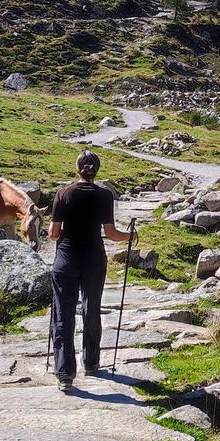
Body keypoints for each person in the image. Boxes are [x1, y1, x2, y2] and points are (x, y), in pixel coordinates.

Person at [47, 150, 132, 390]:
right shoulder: (105, 195)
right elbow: (111, 234)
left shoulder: (63, 194)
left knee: (63, 314)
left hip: (66, 259)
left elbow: (53, 234)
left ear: (77, 169)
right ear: (97, 170)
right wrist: (131, 236)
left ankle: (65, 374)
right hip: (94, 259)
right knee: (92, 308)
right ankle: (91, 363)